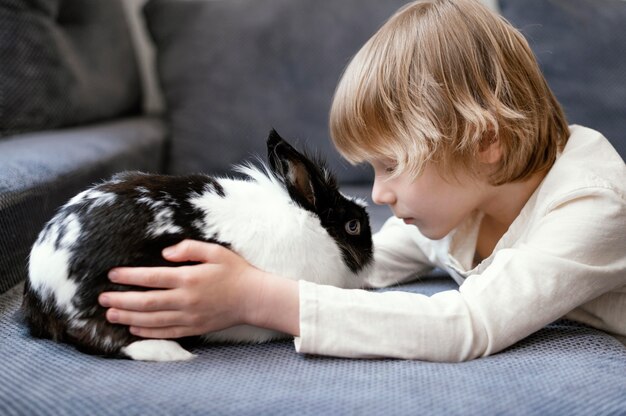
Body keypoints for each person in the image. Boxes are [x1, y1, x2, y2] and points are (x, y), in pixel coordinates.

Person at [98, 0, 626, 362]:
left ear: (486, 143)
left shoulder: (591, 203)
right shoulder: (461, 201)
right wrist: (223, 280)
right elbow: (358, 272)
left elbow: (465, 325)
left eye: (391, 165)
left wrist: (256, 299)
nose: (377, 195)